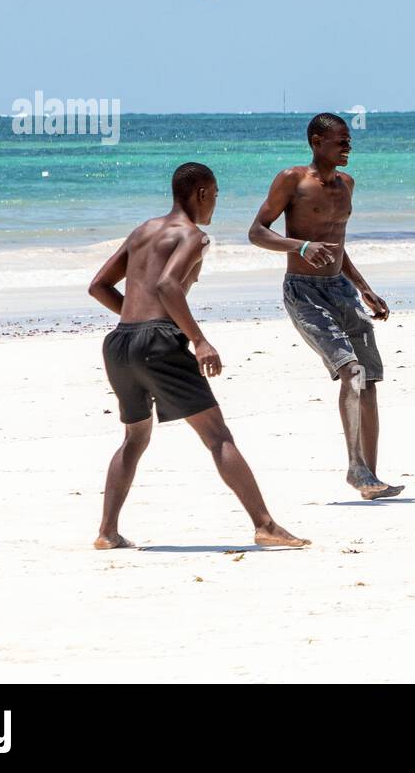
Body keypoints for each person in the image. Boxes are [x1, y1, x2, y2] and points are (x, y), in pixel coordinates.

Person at [88, 162, 309, 549]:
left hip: (120, 342)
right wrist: (198, 340)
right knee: (217, 436)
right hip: (158, 343)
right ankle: (265, 525)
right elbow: (168, 284)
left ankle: (107, 532)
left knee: (134, 438)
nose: (216, 203)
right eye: (217, 194)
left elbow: (99, 286)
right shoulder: (194, 236)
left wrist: (136, 322)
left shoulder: (143, 230)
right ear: (202, 193)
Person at [248, 113, 401, 499]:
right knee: (350, 371)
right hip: (303, 290)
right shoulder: (291, 180)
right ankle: (355, 469)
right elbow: (256, 232)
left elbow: (337, 247)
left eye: (349, 141)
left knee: (368, 378)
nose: (348, 147)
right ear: (317, 142)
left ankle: (370, 475)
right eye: (341, 142)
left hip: (341, 289)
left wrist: (365, 289)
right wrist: (299, 246)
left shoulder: (347, 184)